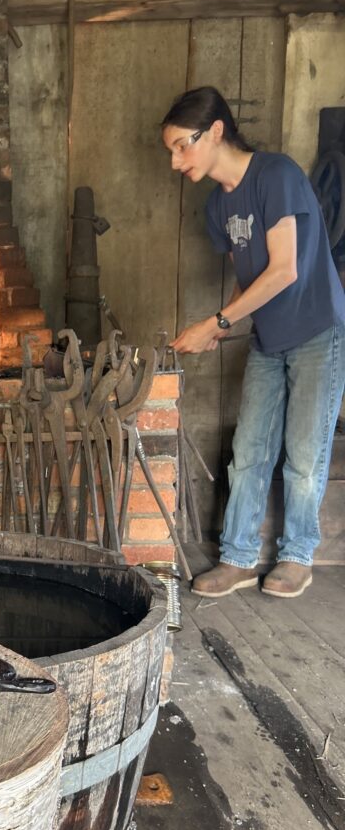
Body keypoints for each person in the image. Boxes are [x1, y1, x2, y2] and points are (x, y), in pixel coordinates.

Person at [162, 86, 345, 599]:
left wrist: (216, 321)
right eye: (172, 150)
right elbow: (251, 277)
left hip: (316, 330)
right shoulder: (218, 208)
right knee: (249, 452)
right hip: (268, 337)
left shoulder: (276, 175)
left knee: (305, 455)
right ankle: (239, 558)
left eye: (182, 146)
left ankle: (296, 556)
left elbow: (285, 270)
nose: (177, 161)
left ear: (215, 131)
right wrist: (225, 327)